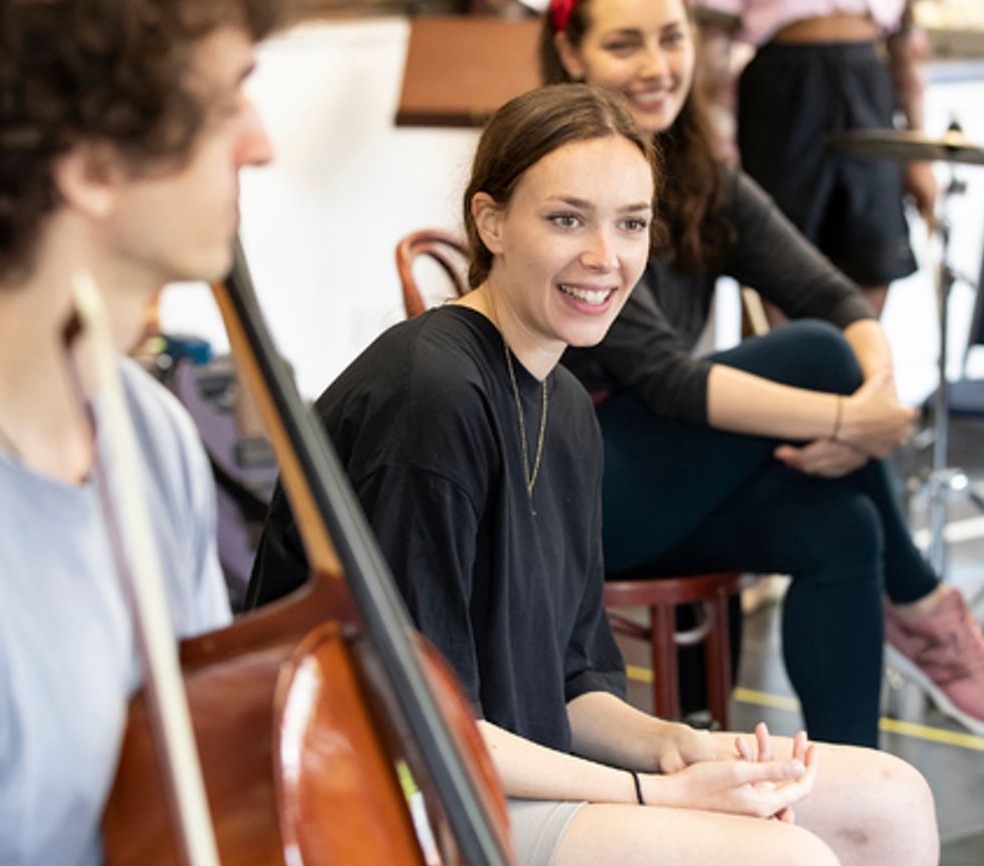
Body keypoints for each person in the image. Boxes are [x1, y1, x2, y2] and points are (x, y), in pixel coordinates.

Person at [248, 83, 939, 866]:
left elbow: (573, 683)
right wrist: (657, 795)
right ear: (491, 221)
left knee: (891, 797)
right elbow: (425, 725)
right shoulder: (431, 393)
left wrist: (676, 746)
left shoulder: (566, 405)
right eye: (566, 218)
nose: (605, 258)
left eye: (632, 223)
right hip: (394, 799)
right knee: (782, 857)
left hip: (509, 767)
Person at [542, 0, 984, 747]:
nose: (656, 65)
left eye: (671, 38)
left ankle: (854, 796)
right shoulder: (559, 176)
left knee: (842, 523)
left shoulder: (699, 172)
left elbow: (831, 290)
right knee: (814, 352)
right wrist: (852, 420)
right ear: (569, 53)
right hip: (571, 495)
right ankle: (921, 607)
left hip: (665, 474)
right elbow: (669, 379)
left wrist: (877, 397)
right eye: (623, 43)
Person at [0, 0, 285, 862]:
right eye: (224, 106)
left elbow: (197, 791)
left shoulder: (146, 431)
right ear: (90, 167)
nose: (263, 143)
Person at [687, 0, 939, 316]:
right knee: (774, 257)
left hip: (868, 84)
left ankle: (859, 371)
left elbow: (908, 39)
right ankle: (784, 370)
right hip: (782, 90)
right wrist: (721, 158)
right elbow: (711, 47)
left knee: (873, 255)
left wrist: (921, 154)